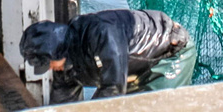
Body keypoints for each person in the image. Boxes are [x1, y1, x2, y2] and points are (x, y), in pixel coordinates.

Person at [19, 9, 196, 102]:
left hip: (169, 54)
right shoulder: (64, 66)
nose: (50, 68)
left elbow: (113, 90)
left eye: (48, 63)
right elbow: (62, 106)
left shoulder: (101, 33)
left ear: (58, 51)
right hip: (133, 71)